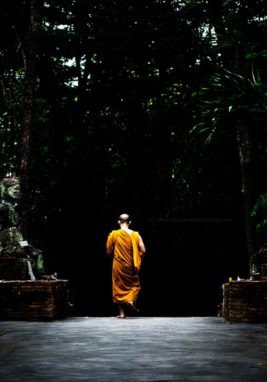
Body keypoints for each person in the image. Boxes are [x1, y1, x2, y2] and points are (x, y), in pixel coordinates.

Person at [106, 213, 146, 318]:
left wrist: (116, 257)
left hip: (118, 264)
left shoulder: (114, 234)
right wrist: (137, 258)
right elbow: (143, 250)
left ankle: (122, 313)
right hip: (131, 265)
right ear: (130, 222)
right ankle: (131, 300)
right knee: (135, 285)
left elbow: (109, 250)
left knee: (118, 286)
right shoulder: (136, 235)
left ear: (119, 222)